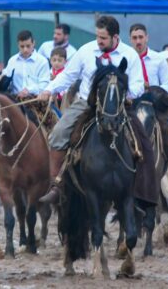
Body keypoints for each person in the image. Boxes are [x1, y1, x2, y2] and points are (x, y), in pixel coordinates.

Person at [38, 16, 147, 204]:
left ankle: (143, 188)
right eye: (98, 36)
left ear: (115, 37)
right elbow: (68, 75)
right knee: (57, 134)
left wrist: (126, 94)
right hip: (86, 103)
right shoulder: (86, 51)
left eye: (103, 38)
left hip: (118, 105)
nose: (99, 41)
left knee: (143, 139)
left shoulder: (129, 55)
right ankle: (56, 185)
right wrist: (49, 89)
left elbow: (138, 84)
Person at [130, 23, 168, 197]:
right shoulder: (126, 59)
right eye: (134, 38)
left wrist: (153, 89)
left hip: (155, 107)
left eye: (141, 37)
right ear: (130, 40)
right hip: (131, 106)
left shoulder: (158, 59)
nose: (138, 41)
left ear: (147, 38)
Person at [2, 30, 50, 99]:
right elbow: (7, 80)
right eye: (22, 46)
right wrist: (2, 78)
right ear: (18, 45)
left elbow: (45, 84)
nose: (25, 50)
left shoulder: (42, 61)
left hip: (35, 100)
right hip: (14, 100)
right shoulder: (12, 61)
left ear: (33, 43)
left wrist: (29, 90)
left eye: (28, 46)